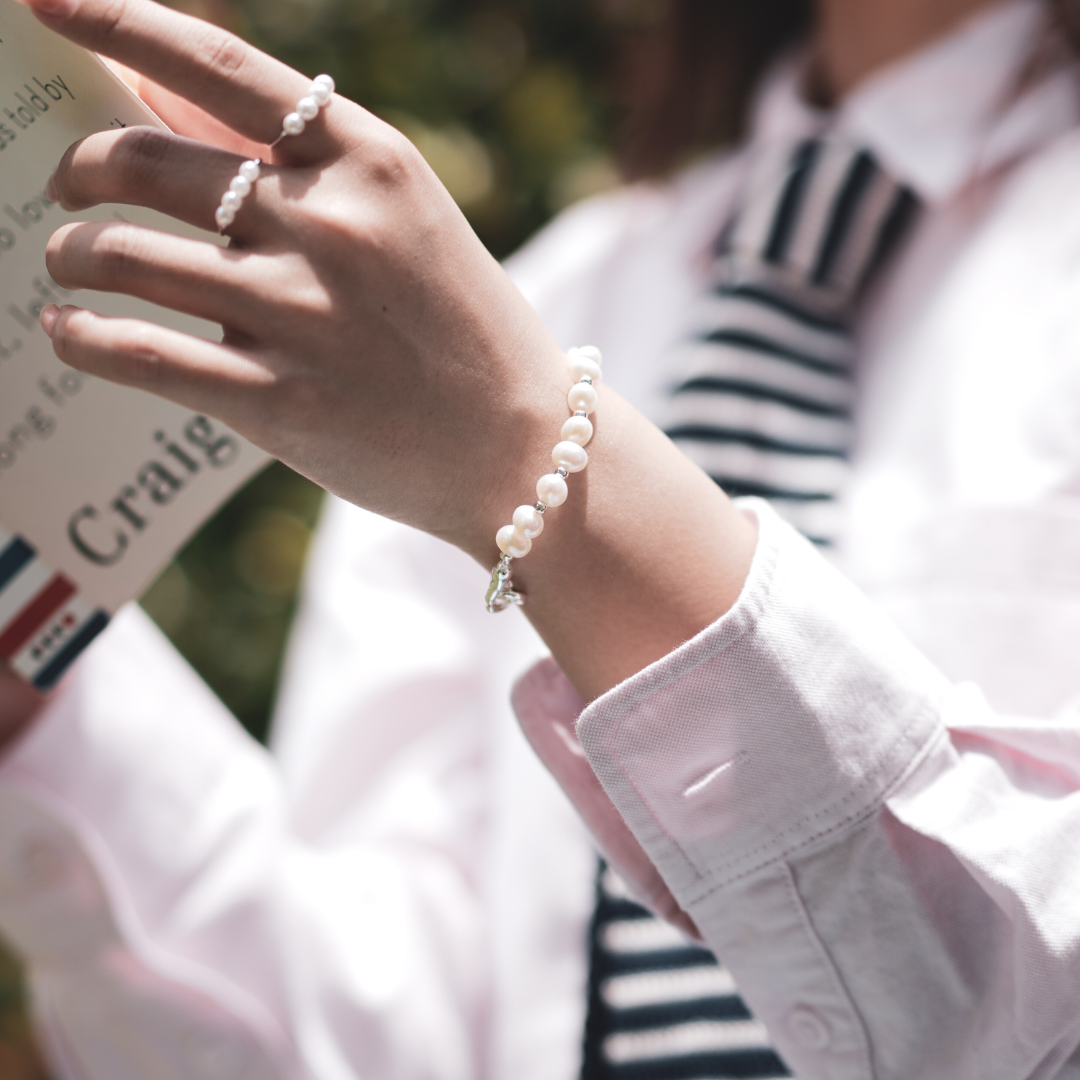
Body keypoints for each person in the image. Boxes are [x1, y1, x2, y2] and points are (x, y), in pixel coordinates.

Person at [4, 0, 1080, 1077]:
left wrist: (536, 455)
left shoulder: (485, 357)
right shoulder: (536, 300)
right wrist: (41, 698)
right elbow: (386, 1044)